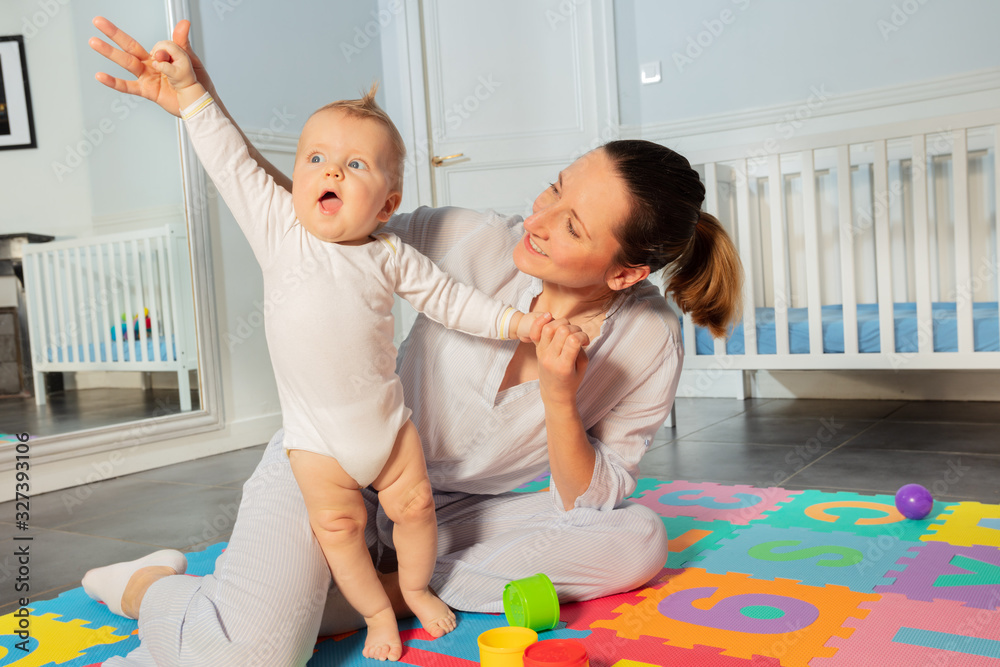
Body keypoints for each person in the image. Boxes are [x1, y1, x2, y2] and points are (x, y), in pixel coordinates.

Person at [82, 15, 743, 667]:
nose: (536, 219)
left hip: (452, 512)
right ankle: (154, 587)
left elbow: (589, 498)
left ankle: (371, 594)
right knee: (251, 656)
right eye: (555, 186)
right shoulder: (467, 237)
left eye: (569, 225)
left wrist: (562, 398)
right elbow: (313, 215)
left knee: (637, 540)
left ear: (625, 271)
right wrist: (199, 101)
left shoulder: (649, 339)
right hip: (333, 464)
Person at [85, 36, 549, 662]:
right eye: (317, 159)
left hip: (389, 431)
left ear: (387, 204)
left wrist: (519, 324)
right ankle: (377, 613)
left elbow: (452, 301)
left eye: (355, 166)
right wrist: (193, 95)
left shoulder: (389, 254)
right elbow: (231, 163)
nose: (331, 171)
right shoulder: (280, 230)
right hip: (316, 444)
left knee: (414, 509)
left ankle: (414, 588)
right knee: (341, 532)